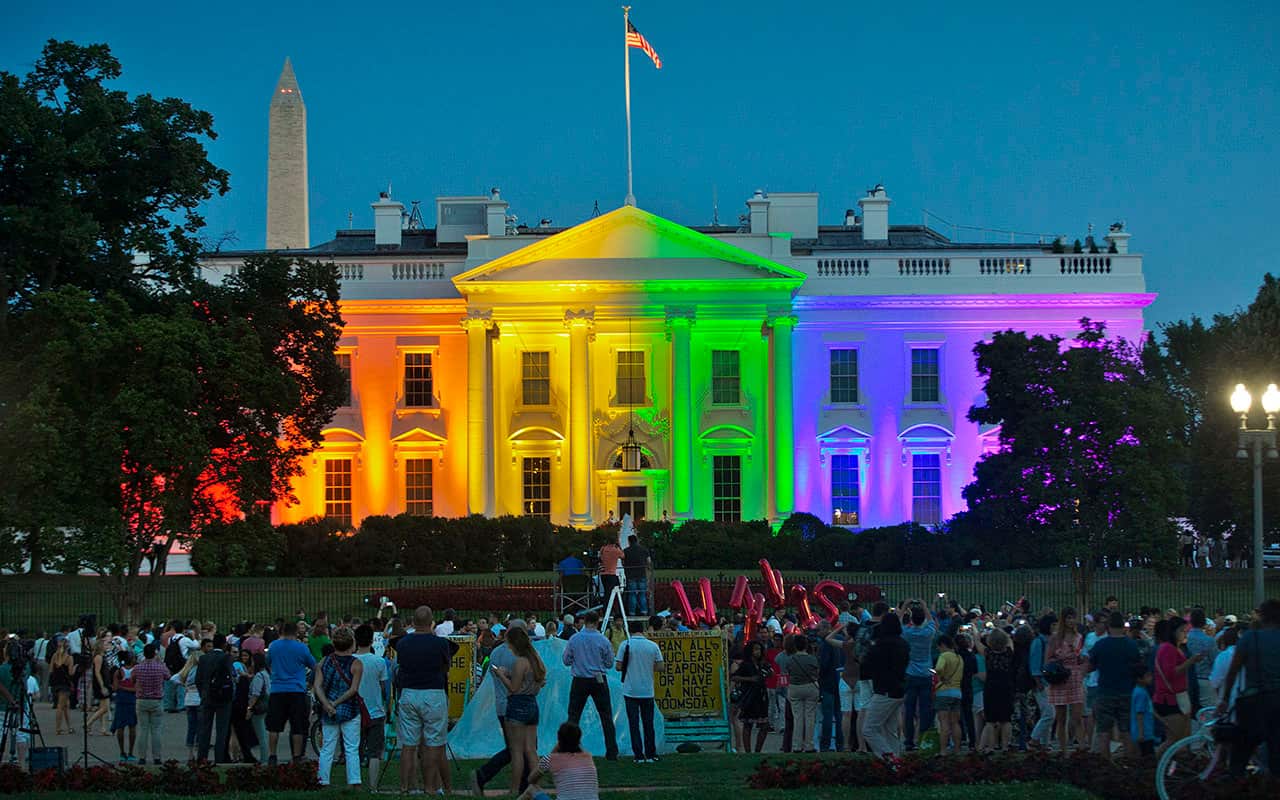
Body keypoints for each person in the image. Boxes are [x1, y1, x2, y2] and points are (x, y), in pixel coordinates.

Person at [396, 606, 459, 794]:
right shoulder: (440, 643)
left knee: (408, 745)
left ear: (413, 622)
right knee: (433, 743)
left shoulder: (402, 643)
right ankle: (430, 787)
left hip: (408, 692)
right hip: (432, 692)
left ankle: (405, 787)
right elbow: (446, 667)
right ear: (432, 621)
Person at [1218, 598, 1280, 776]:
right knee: (1276, 757)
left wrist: (1224, 699)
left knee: (1240, 756)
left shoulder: (1250, 637)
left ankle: (1236, 785)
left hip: (1253, 702)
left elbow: (1233, 671)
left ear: (1263, 616)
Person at [471, 619, 529, 797]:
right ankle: (486, 776)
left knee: (516, 747)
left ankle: (522, 785)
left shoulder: (496, 652)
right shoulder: (519, 655)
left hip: (501, 705)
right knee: (521, 748)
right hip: (517, 705)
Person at [489, 625, 546, 795]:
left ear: (514, 643)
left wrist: (501, 675)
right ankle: (536, 786)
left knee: (516, 751)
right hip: (532, 705)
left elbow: (513, 688)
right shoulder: (535, 660)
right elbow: (537, 683)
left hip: (517, 706)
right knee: (531, 749)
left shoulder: (520, 662)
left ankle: (514, 790)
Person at [563, 611, 619, 760]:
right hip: (598, 679)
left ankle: (569, 749)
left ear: (585, 621)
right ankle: (612, 751)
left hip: (580, 679)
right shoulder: (603, 640)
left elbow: (566, 660)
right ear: (597, 622)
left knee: (574, 716)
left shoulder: (575, 639)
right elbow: (609, 663)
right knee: (606, 716)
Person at [313, 627, 363, 788]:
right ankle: (354, 780)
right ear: (351, 644)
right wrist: (335, 703)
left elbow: (317, 686)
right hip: (350, 709)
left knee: (327, 746)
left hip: (329, 711)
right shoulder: (356, 664)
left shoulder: (324, 662)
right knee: (351, 747)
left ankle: (323, 779)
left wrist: (327, 704)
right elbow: (353, 689)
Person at [1086, 611, 1138, 759]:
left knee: (1104, 731)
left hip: (1104, 692)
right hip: (1126, 691)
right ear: (1123, 627)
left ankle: (1105, 763)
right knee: (1126, 730)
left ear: (1108, 626)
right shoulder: (1131, 646)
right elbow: (1138, 669)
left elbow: (1090, 667)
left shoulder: (1101, 645)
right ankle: (1129, 762)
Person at [265, 621, 316, 765]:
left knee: (273, 726)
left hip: (277, 689)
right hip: (296, 689)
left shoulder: (273, 646)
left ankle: (272, 755)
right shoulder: (301, 648)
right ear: (296, 632)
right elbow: (314, 666)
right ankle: (297, 755)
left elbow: (267, 662)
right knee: (298, 726)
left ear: (281, 631)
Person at [861, 611, 910, 757]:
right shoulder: (903, 643)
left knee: (869, 729)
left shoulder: (881, 645)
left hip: (884, 690)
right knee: (890, 730)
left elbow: (866, 664)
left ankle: (889, 757)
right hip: (899, 689)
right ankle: (897, 761)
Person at [616, 618, 664, 763]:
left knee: (634, 723)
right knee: (648, 723)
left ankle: (638, 755)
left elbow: (618, 666)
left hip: (630, 689)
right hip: (647, 689)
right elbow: (661, 667)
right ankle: (651, 753)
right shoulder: (652, 646)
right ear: (643, 630)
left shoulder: (626, 645)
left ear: (630, 630)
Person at [1153, 617, 1202, 757]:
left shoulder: (1174, 648)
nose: (1186, 634)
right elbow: (1171, 673)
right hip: (1170, 699)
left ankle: (1171, 769)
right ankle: (1157, 765)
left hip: (1177, 698)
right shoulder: (1168, 649)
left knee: (1181, 740)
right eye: (1183, 631)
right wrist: (1191, 661)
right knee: (1175, 740)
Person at [519, 722, 600, 800]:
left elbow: (530, 780)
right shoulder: (588, 757)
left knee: (531, 789)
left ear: (558, 738)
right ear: (579, 739)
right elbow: (579, 747)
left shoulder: (550, 759)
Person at [1046, 608, 1086, 754]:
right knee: (1061, 718)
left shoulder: (1079, 637)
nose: (1071, 621)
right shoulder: (1055, 638)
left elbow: (1083, 657)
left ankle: (1082, 748)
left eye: (1073, 618)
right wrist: (1059, 658)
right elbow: (1048, 659)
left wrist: (1082, 663)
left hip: (1075, 676)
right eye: (1068, 618)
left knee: (1077, 717)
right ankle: (1063, 750)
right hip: (1060, 676)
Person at [353, 624, 388, 787]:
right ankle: (373, 786)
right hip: (375, 710)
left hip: (355, 711)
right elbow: (383, 687)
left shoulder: (351, 661)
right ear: (372, 640)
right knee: (375, 752)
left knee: (354, 750)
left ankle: (355, 783)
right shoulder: (379, 661)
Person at [901, 604, 936, 750]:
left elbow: (898, 621)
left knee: (909, 709)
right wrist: (925, 606)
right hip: (926, 673)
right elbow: (932, 621)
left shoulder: (907, 633)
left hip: (910, 673)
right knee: (925, 709)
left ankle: (909, 740)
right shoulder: (928, 633)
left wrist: (904, 606)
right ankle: (923, 739)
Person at [196, 633, 234, 763]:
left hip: (207, 696)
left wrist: (203, 693)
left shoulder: (204, 658)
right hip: (223, 697)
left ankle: (202, 758)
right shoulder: (226, 658)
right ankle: (219, 758)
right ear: (224, 644)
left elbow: (198, 679)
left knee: (204, 729)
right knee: (221, 730)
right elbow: (231, 677)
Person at [132, 643, 170, 765]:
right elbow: (168, 676)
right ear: (155, 653)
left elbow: (133, 679)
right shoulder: (160, 667)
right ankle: (157, 757)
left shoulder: (138, 667)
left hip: (142, 699)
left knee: (143, 729)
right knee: (156, 730)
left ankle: (142, 757)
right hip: (156, 700)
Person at [979, 628, 1015, 751]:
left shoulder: (987, 653)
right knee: (1006, 719)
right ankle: (1005, 746)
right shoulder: (1009, 653)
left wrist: (975, 630)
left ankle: (991, 747)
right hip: (1006, 686)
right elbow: (1010, 641)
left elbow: (976, 642)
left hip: (991, 687)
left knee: (990, 720)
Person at [732, 640, 772, 753]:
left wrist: (768, 672)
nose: (758, 652)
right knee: (748, 724)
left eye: (759, 649)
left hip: (761, 696)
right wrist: (750, 679)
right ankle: (748, 751)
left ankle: (758, 750)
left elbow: (770, 674)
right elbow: (734, 677)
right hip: (750, 697)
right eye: (755, 649)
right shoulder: (746, 664)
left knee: (764, 726)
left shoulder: (762, 664)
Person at [785, 635, 820, 753]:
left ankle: (796, 746)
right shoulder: (812, 659)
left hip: (795, 687)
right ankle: (809, 745)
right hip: (810, 687)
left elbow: (787, 671)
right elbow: (816, 672)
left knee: (797, 717)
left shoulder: (790, 659)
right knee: (810, 717)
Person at [1027, 614, 1057, 748]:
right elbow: (1034, 664)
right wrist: (1038, 681)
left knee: (1047, 713)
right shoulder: (1039, 642)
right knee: (1049, 714)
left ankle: (1045, 742)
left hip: (1049, 682)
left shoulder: (1048, 640)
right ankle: (1034, 739)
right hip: (1042, 683)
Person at [229, 648, 259, 764]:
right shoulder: (238, 666)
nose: (243, 657)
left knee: (235, 732)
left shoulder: (240, 666)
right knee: (236, 732)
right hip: (239, 703)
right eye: (240, 655)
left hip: (237, 702)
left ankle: (236, 755)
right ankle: (236, 755)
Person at [1185, 608, 1216, 709]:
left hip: (1187, 678)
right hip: (1204, 678)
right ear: (1204, 622)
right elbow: (1214, 660)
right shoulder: (1209, 640)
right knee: (1207, 712)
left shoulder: (1185, 638)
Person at [50, 639, 75, 735]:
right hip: (65, 684)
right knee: (61, 706)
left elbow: (51, 670)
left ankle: (69, 727)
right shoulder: (69, 658)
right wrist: (75, 668)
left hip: (56, 683)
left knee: (65, 705)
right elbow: (70, 672)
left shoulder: (54, 656)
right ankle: (58, 728)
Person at [622, 535, 651, 616]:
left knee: (632, 594)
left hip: (631, 575)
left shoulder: (626, 551)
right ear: (637, 540)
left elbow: (623, 563)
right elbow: (649, 561)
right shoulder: (644, 550)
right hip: (642, 574)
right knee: (642, 594)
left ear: (629, 541)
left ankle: (632, 612)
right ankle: (644, 611)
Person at [1130, 666, 1156, 756]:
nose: (1151, 678)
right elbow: (1139, 713)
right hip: (1144, 732)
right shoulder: (1141, 693)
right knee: (1147, 757)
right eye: (1147, 676)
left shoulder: (1141, 691)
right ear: (1139, 679)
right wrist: (1141, 733)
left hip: (1145, 731)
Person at [598, 540, 624, 606]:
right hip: (611, 574)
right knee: (611, 593)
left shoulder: (603, 548)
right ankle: (609, 609)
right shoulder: (616, 550)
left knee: (606, 591)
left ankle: (606, 608)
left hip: (603, 574)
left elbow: (599, 557)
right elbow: (623, 556)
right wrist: (619, 546)